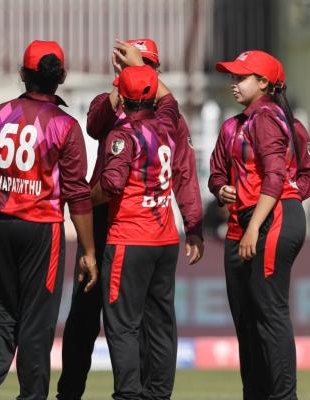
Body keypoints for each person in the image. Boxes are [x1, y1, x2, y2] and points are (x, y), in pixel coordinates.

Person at [57, 38, 204, 400]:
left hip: (129, 220)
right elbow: (93, 125)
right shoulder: (114, 107)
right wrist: (124, 82)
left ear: (154, 73)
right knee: (85, 315)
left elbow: (185, 173)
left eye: (143, 66)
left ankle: (138, 392)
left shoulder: (167, 120)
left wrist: (194, 222)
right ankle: (70, 392)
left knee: (135, 321)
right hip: (105, 217)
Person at [0, 40, 97, 400]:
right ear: (62, 77)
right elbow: (77, 194)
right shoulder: (65, 126)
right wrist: (88, 250)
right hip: (41, 227)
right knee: (36, 320)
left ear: (23, 75)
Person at [208, 50, 306, 400]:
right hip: (244, 223)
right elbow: (216, 174)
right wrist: (221, 189)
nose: (233, 83)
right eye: (232, 77)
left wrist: (284, 202)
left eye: (241, 77)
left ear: (263, 83)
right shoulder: (234, 125)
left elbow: (287, 176)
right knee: (248, 323)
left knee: (270, 315)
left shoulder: (267, 116)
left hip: (270, 221)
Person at [90, 58, 184, 399]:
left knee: (123, 325)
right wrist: (146, 72)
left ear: (122, 96)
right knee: (160, 325)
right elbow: (171, 100)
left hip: (130, 238)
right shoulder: (170, 126)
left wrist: (85, 197)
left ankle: (128, 395)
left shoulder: (122, 134)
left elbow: (112, 184)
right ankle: (158, 394)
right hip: (166, 239)